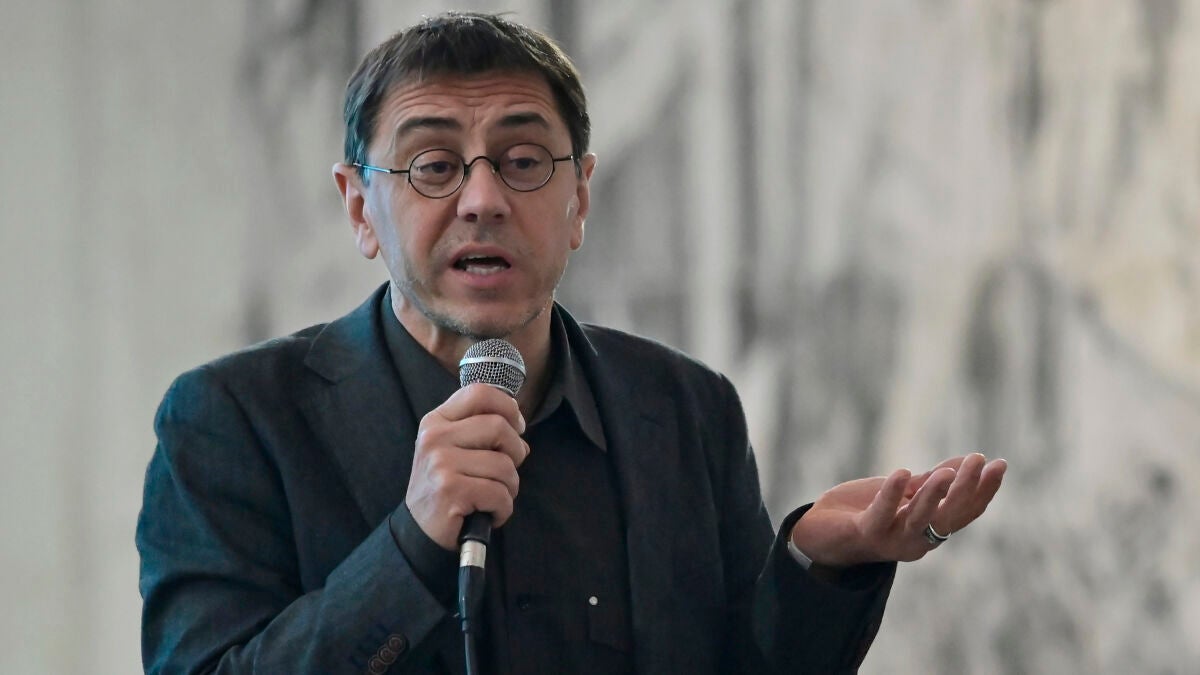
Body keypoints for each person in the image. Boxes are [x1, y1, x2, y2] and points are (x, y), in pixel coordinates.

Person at [136, 11, 1007, 675]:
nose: (483, 199)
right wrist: (412, 546)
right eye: (434, 165)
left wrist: (818, 561)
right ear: (360, 207)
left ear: (581, 197)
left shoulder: (684, 408)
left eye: (523, 161)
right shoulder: (232, 420)